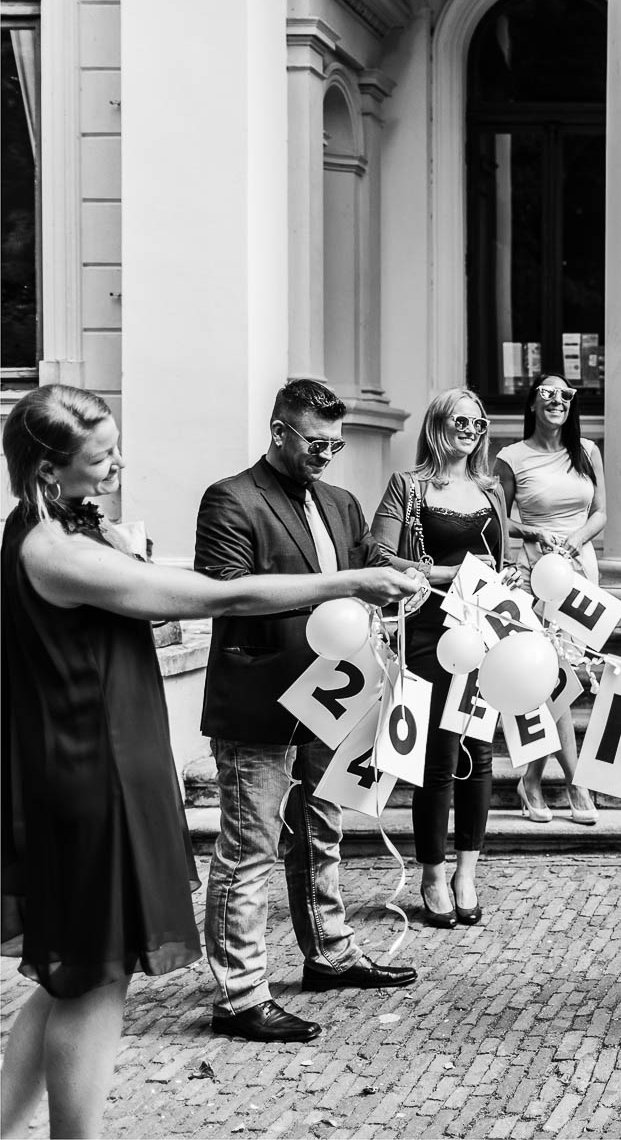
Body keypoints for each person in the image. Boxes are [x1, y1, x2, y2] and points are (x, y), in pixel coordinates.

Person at [0, 386, 415, 1137]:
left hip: (104, 759)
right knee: (92, 982)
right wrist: (351, 583)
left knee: (76, 976)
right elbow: (220, 597)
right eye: (102, 456)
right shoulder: (53, 549)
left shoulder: (57, 527)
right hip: (90, 772)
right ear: (50, 468)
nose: (121, 461)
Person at [195, 379, 419, 1045]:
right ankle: (240, 997)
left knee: (322, 832)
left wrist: (429, 576)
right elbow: (227, 594)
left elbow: (374, 561)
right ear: (278, 431)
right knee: (250, 849)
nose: (328, 454)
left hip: (332, 698)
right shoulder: (231, 498)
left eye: (336, 443)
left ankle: (330, 954)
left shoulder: (343, 502)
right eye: (316, 443)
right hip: (258, 700)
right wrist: (351, 583)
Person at [371, 388, 510, 930]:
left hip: (484, 630)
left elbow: (498, 558)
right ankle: (431, 872)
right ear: (436, 424)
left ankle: (466, 872)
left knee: (481, 752)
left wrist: (507, 578)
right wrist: (448, 575)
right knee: (438, 756)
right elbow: (378, 556)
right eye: (461, 421)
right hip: (431, 631)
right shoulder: (410, 487)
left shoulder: (492, 489)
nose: (471, 431)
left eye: (479, 424)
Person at [496, 373, 605, 826]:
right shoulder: (511, 457)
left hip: (579, 572)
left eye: (565, 395)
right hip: (534, 575)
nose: (556, 401)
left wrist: (575, 540)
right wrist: (534, 532)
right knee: (545, 675)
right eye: (547, 394)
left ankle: (533, 780)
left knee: (569, 676)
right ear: (533, 403)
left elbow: (600, 512)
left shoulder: (587, 451)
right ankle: (575, 780)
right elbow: (497, 520)